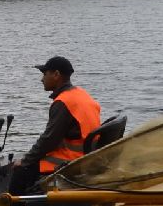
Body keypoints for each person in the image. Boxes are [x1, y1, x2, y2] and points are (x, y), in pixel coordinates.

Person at [7, 55, 102, 195]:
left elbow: (49, 140)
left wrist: (25, 161)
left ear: (56, 74)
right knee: (31, 161)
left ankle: (12, 204)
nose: (41, 79)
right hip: (87, 156)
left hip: (72, 160)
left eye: (45, 74)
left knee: (21, 170)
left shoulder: (63, 102)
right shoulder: (81, 94)